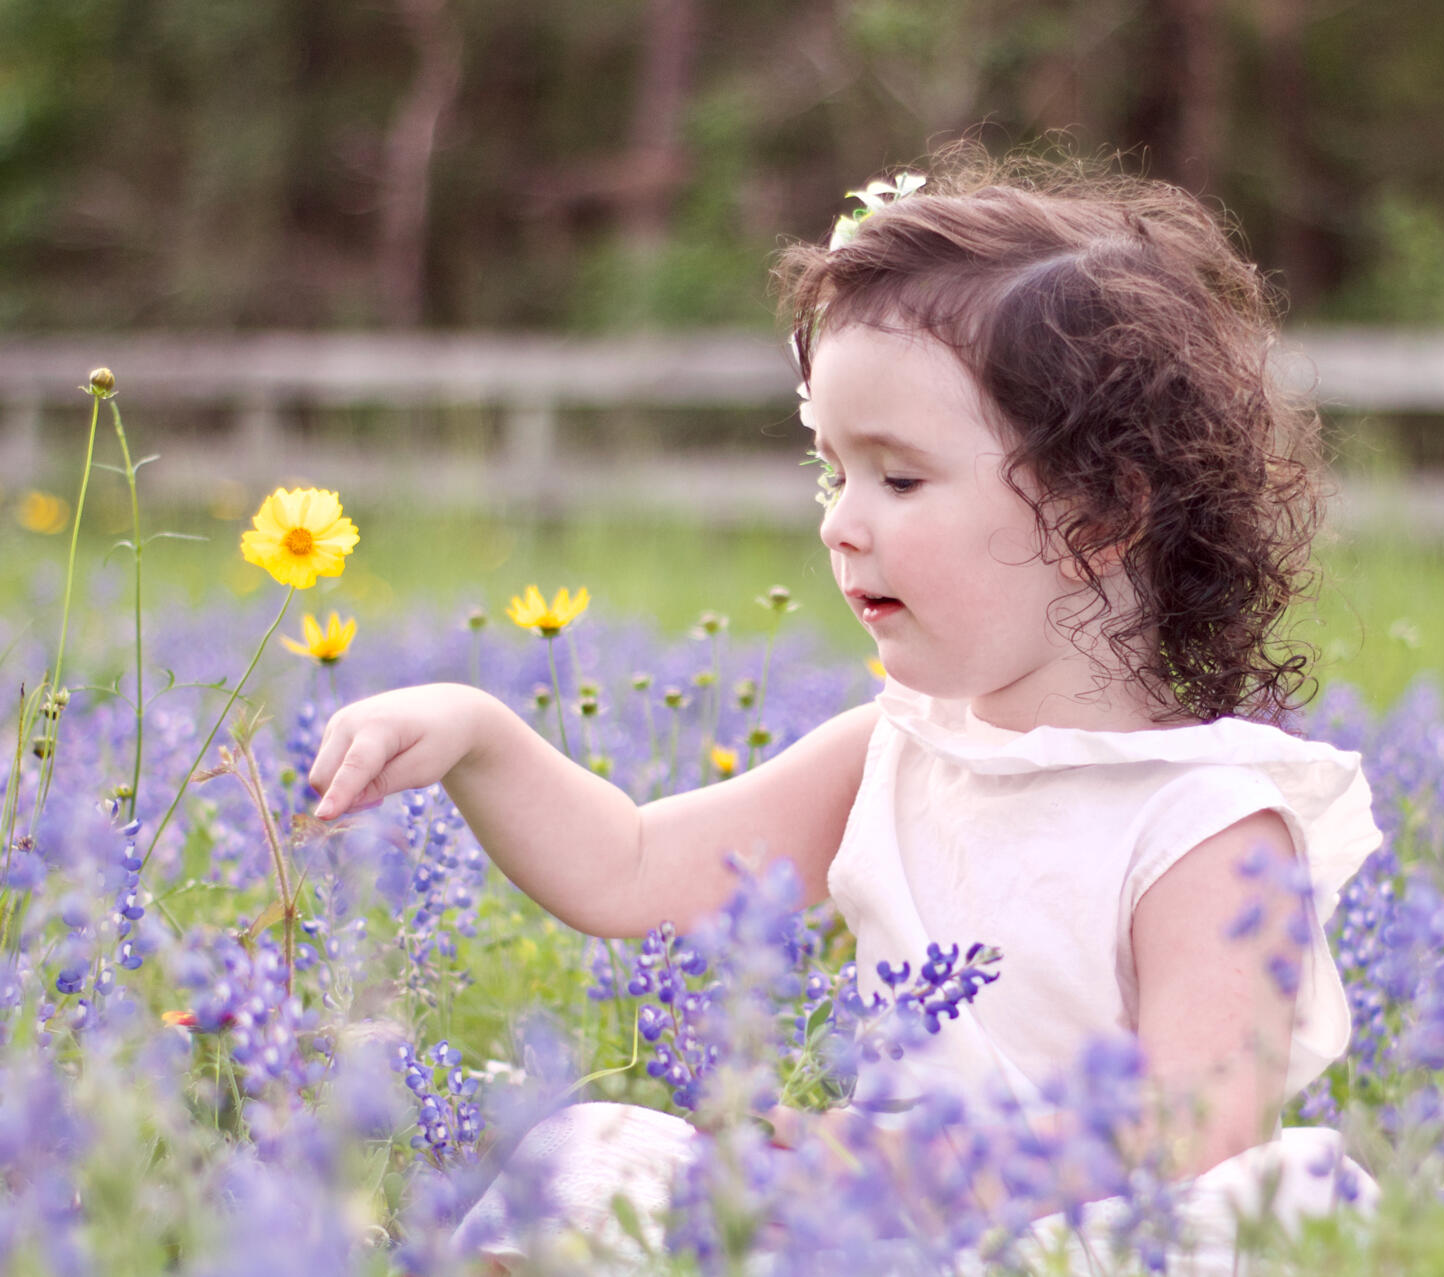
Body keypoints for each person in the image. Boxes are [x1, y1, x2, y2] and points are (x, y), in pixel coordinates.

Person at [308, 145, 1381, 1270]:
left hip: (1081, 1240)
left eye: (899, 478)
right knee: (591, 1155)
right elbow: (627, 867)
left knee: (1261, 1220)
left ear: (1096, 515)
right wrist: (481, 735)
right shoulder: (893, 749)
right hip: (858, 1232)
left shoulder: (1206, 823)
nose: (839, 522)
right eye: (833, 470)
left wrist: (927, 1172)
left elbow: (1195, 1130)